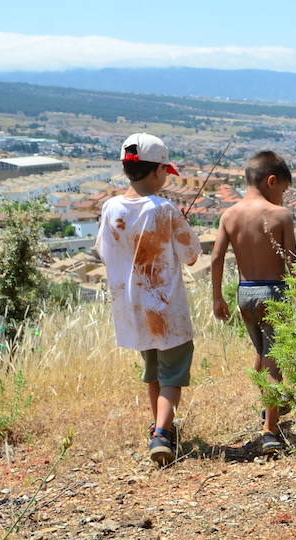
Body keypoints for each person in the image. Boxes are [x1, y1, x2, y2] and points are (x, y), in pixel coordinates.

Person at [95, 133, 201, 466]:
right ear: (157, 171)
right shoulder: (166, 209)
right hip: (166, 308)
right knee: (173, 374)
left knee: (153, 371)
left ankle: (159, 425)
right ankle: (161, 435)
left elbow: (102, 250)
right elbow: (193, 256)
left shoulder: (110, 207)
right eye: (166, 172)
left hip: (132, 308)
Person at [210, 150, 296, 455]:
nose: (284, 198)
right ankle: (270, 432)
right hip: (273, 293)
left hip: (245, 294)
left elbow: (217, 257)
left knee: (261, 353)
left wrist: (217, 297)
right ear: (271, 181)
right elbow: (293, 262)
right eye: (283, 190)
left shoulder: (229, 215)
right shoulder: (280, 216)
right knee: (274, 362)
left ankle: (268, 409)